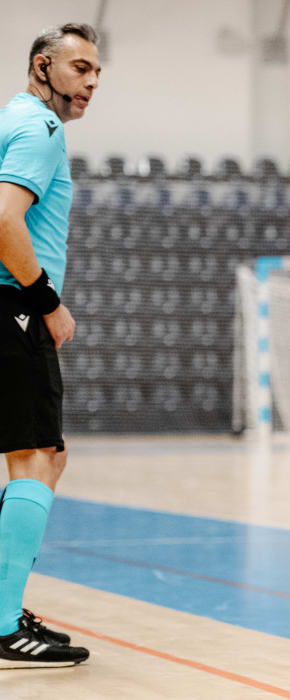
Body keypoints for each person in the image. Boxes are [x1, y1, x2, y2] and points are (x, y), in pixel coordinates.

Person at [0, 22, 100, 669]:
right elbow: (4, 219)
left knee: (48, 457)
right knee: (35, 459)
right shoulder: (38, 128)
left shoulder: (14, 119)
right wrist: (47, 303)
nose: (91, 83)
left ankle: (4, 605)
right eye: (80, 68)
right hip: (14, 308)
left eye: (97, 73)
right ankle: (3, 625)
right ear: (43, 66)